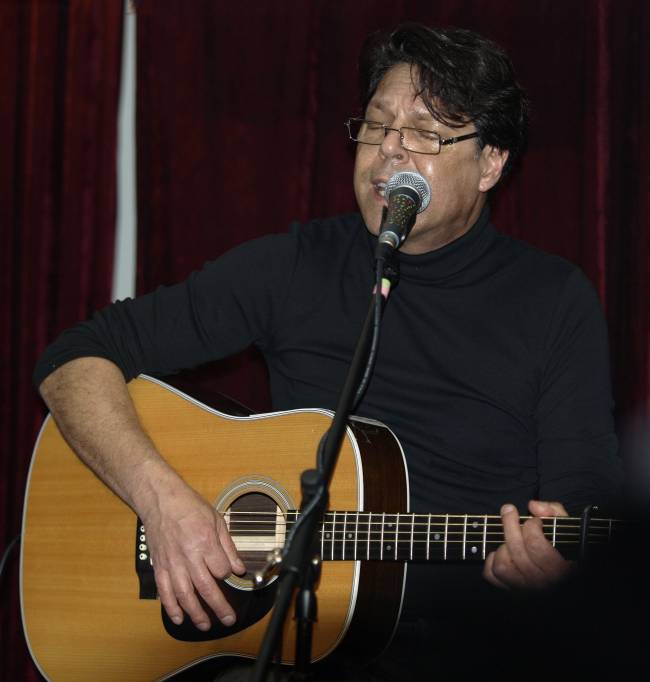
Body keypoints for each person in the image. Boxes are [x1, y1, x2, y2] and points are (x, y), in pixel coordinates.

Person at [34, 23, 623, 680]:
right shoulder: (297, 265)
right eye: (375, 128)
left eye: (425, 135)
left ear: (491, 162)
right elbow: (73, 361)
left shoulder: (553, 299)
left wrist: (560, 565)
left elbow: (590, 506)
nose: (388, 154)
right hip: (287, 655)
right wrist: (162, 501)